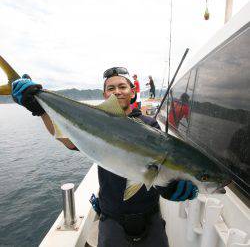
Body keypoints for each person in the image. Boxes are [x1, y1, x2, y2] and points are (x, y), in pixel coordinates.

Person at [12, 67, 198, 247]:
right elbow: (68, 141)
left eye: (122, 87)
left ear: (132, 92)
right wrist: (40, 109)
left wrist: (169, 187)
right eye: (111, 88)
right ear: (105, 96)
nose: (117, 91)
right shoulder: (95, 120)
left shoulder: (149, 125)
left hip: (150, 217)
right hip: (111, 220)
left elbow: (158, 165)